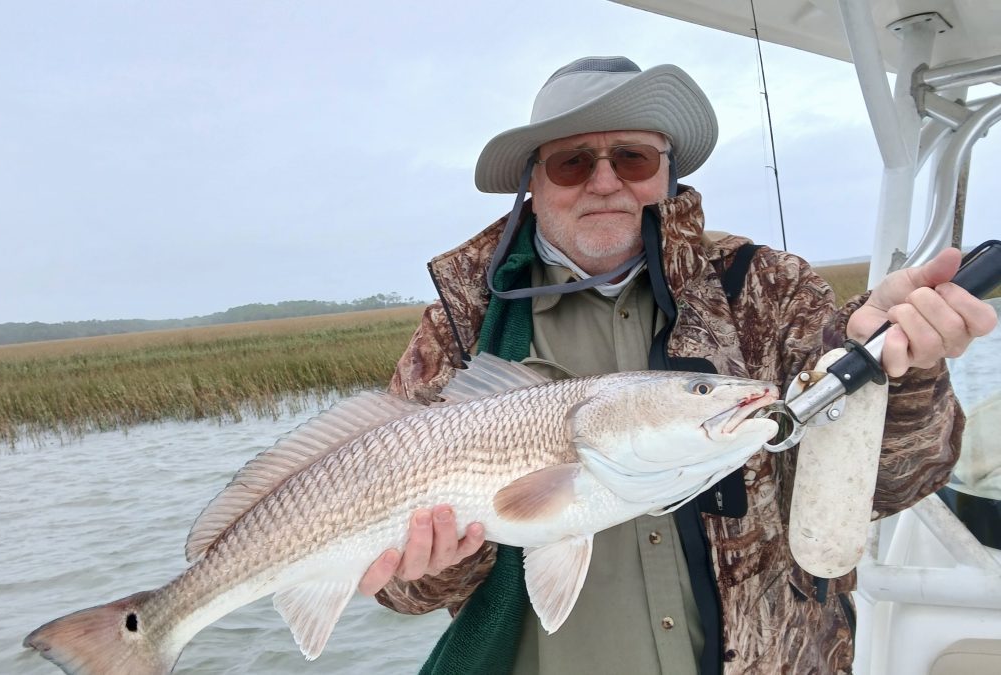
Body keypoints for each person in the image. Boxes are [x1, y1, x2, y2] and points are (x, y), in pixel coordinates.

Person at [357, 56, 997, 674]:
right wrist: (433, 563)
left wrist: (899, 369)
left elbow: (887, 488)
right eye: (572, 161)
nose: (605, 181)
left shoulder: (770, 289)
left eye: (631, 157)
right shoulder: (462, 323)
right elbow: (402, 593)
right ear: (533, 180)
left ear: (666, 169)